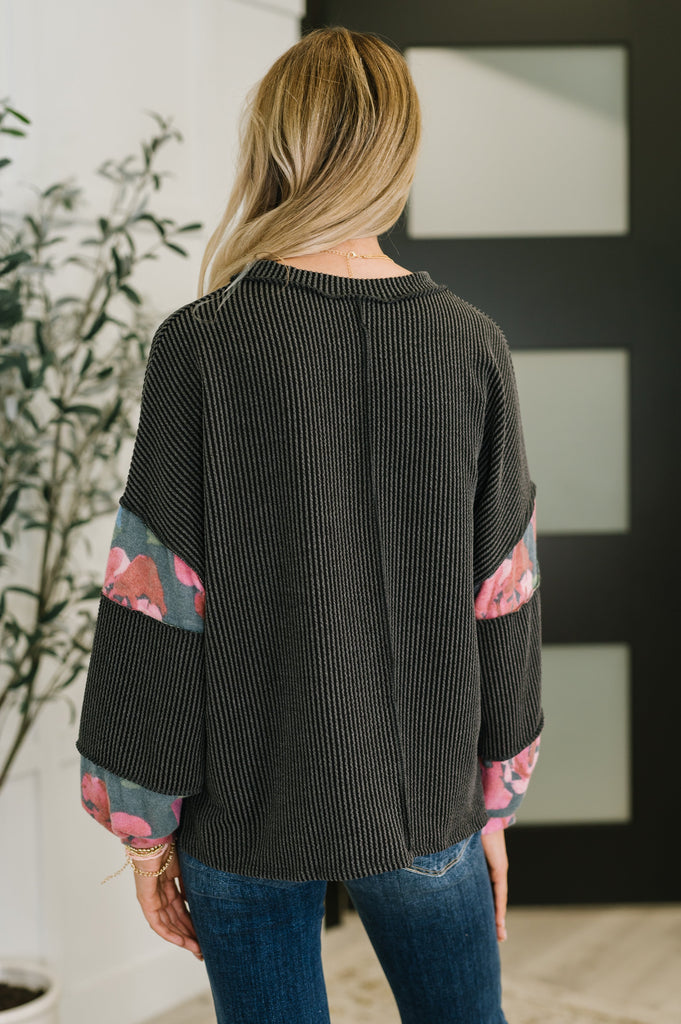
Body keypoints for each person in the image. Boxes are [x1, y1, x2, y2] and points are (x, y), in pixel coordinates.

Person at [77, 25, 543, 1024]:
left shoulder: (203, 343)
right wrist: (494, 801)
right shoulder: (471, 345)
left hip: (246, 810)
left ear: (275, 145)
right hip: (426, 802)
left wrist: (144, 828)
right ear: (398, 152)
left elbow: (155, 593)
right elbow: (502, 593)